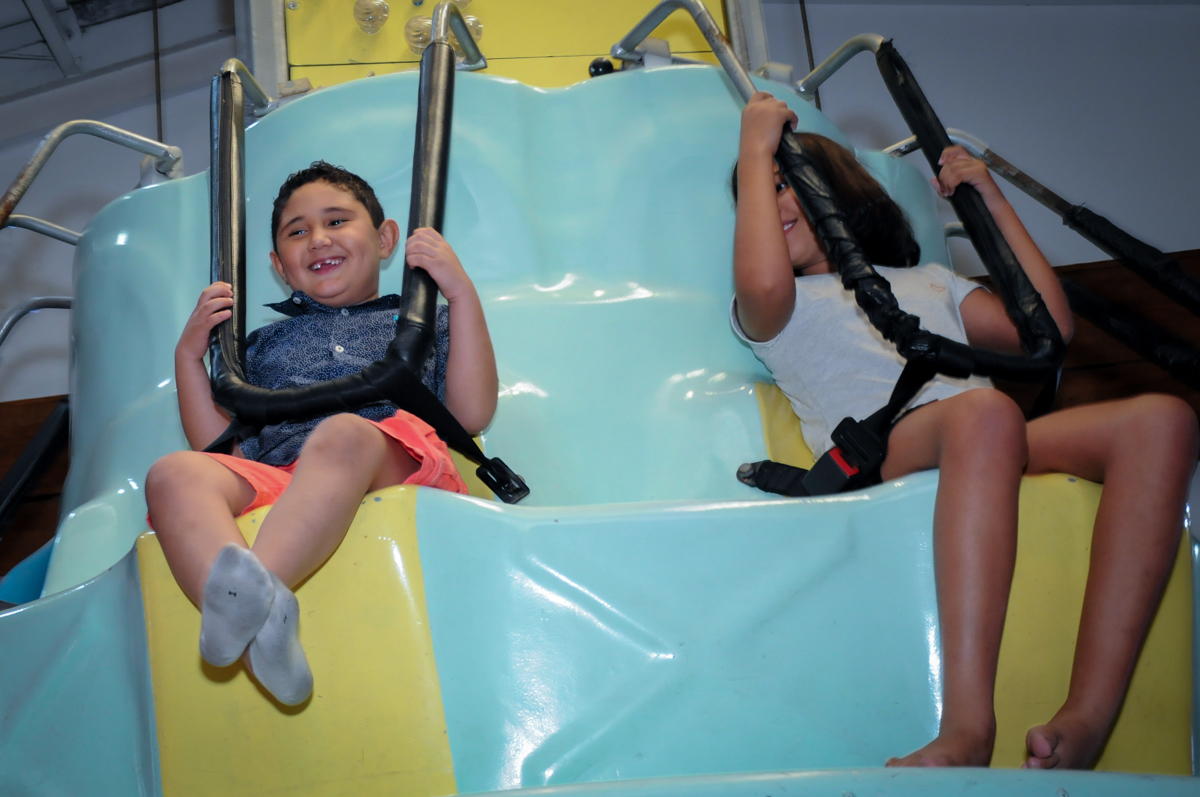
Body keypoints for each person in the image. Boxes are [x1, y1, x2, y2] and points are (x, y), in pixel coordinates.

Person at [731, 92, 1197, 769]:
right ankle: (969, 725)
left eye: (785, 184)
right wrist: (753, 148)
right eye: (757, 193)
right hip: (887, 445)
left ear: (834, 191)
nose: (771, 203)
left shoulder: (929, 281)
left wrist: (992, 202)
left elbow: (1047, 330)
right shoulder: (782, 303)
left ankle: (1089, 715)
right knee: (987, 413)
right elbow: (762, 281)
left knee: (1164, 418)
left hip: (986, 431)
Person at [145, 161, 498, 706]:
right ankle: (264, 620)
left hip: (391, 457)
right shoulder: (261, 345)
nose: (318, 239)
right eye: (298, 231)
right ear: (279, 266)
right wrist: (189, 358)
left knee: (343, 433)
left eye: (336, 221)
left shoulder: (422, 318)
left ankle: (253, 594)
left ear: (384, 239)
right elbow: (222, 447)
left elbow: (470, 413)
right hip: (286, 475)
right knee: (172, 473)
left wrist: (462, 294)